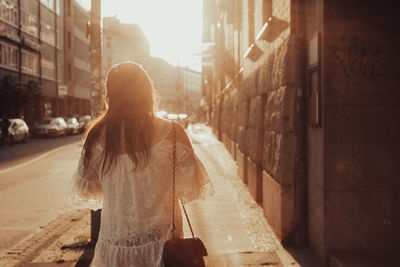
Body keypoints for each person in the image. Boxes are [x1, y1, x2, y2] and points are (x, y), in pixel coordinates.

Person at [70, 62, 212, 267]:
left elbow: (87, 187)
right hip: (163, 246)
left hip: (115, 244)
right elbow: (192, 187)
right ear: (147, 92)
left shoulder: (97, 136)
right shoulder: (171, 132)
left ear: (110, 94)